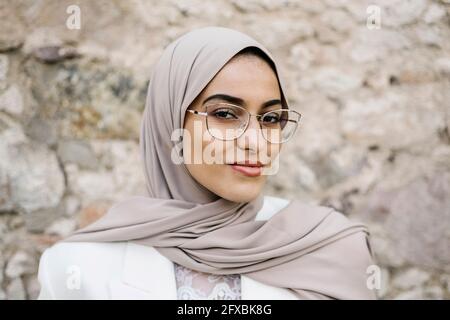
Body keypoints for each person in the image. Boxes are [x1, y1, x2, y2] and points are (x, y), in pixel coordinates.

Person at [37, 26, 376, 300]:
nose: (256, 142)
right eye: (225, 114)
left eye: (271, 118)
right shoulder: (78, 268)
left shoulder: (333, 249)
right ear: (170, 123)